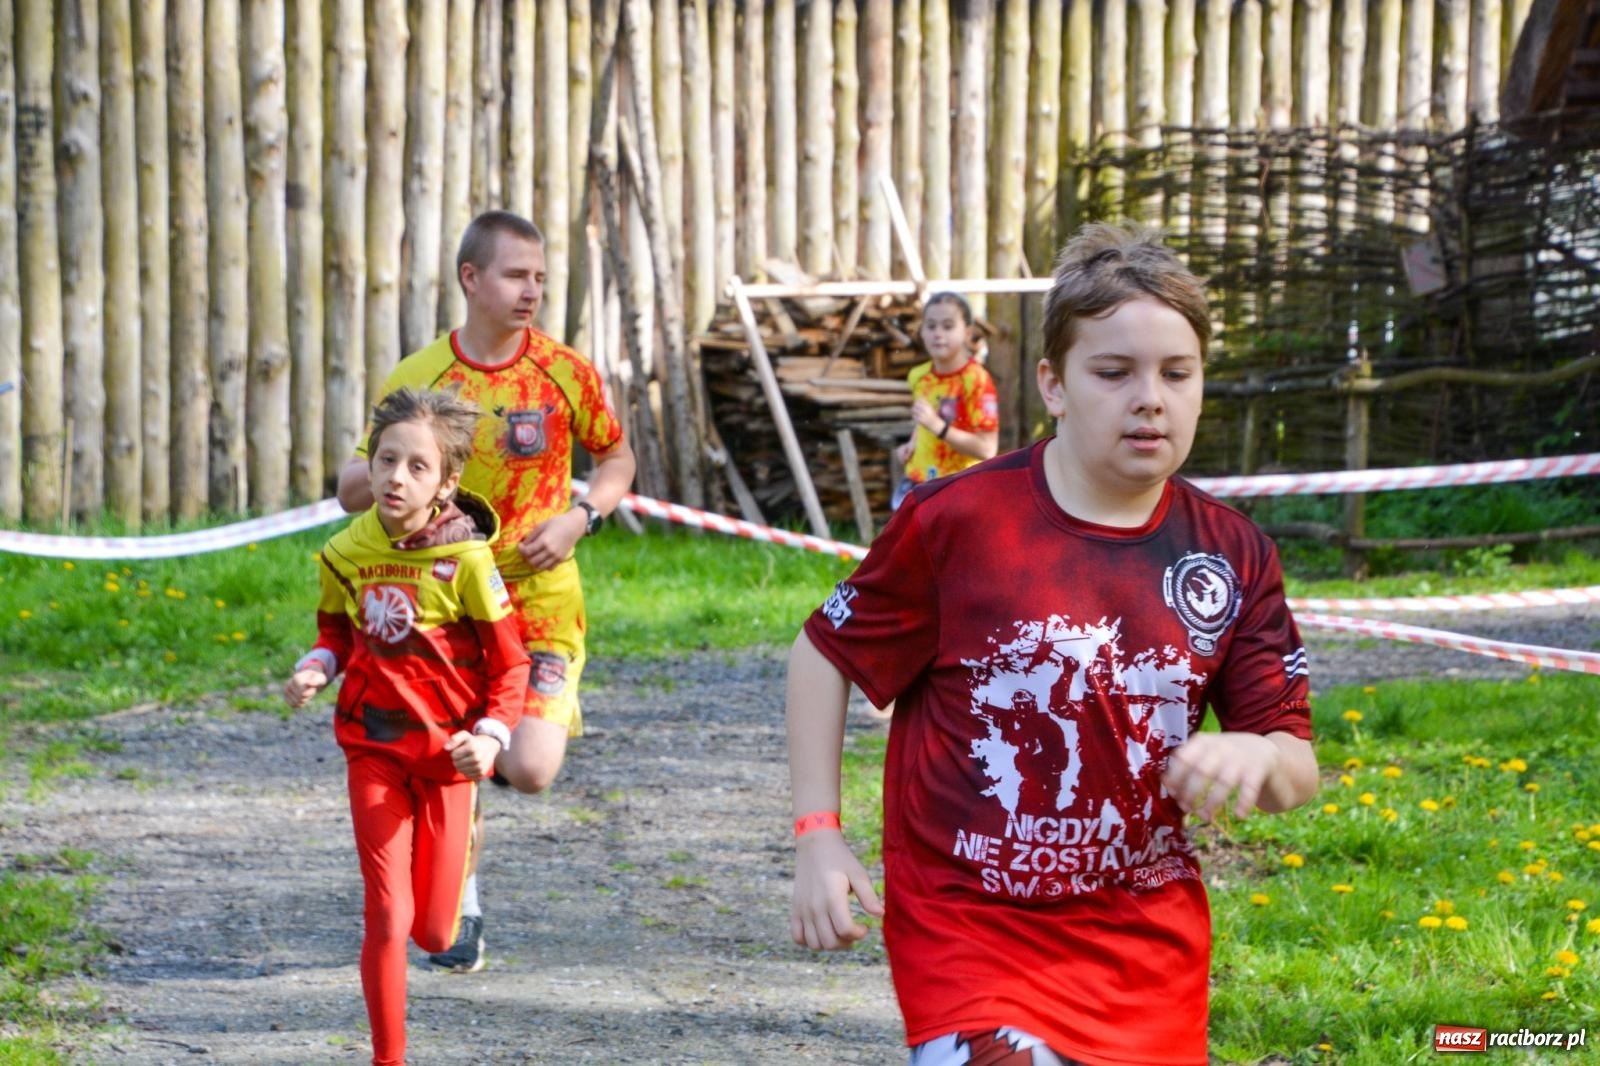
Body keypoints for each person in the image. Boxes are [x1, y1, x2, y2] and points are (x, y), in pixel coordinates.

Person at [786, 222, 1319, 1066]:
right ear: (1054, 384)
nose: (1150, 398)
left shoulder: (1232, 554)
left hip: (1146, 957)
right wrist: (819, 831)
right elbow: (824, 653)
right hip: (972, 933)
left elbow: (1297, 764)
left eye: (1177, 375)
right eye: (1114, 373)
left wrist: (1256, 752)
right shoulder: (957, 523)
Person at [336, 210, 636, 972]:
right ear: (471, 279)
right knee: (462, 752)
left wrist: (581, 518)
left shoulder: (567, 372)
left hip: (542, 600)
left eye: (539, 276)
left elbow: (617, 461)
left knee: (531, 769)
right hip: (448, 609)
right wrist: (383, 483)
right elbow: (353, 483)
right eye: (515, 275)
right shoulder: (421, 377)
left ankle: (460, 768)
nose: (531, 290)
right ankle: (462, 895)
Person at [286, 386, 531, 1066]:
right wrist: (315, 666)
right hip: (373, 746)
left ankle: (465, 837)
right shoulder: (344, 551)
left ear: (446, 482)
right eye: (385, 459)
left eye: (416, 467)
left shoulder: (471, 563)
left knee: (431, 930)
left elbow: (512, 666)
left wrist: (488, 737)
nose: (395, 477)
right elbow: (335, 631)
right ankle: (387, 1058)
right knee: (389, 917)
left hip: (450, 757)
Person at [890, 292, 1000, 511]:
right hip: (917, 484)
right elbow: (923, 423)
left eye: (948, 326)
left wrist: (937, 426)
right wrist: (912, 444)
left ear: (967, 333)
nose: (938, 334)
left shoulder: (976, 380)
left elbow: (987, 449)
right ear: (921, 332)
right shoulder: (919, 377)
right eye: (930, 326)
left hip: (959, 490)